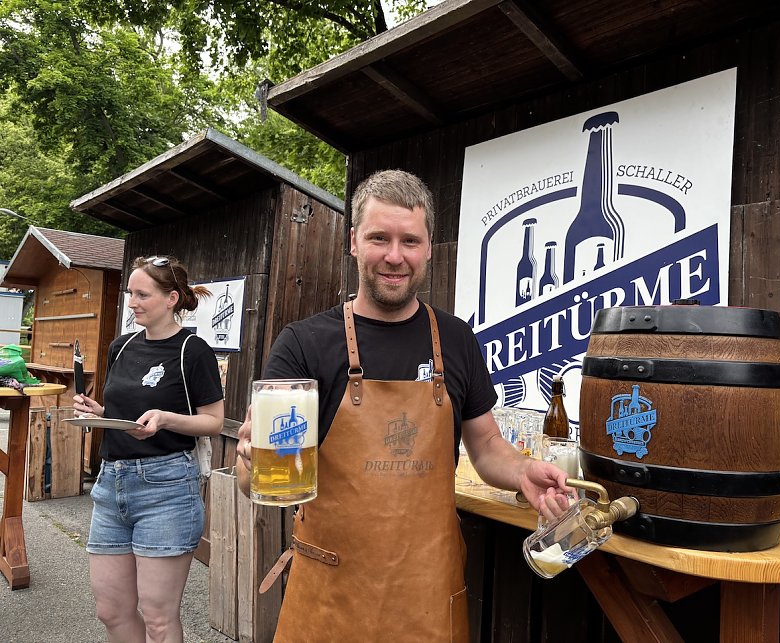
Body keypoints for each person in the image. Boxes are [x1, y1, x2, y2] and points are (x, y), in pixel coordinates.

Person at [234, 170, 573, 642]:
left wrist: (522, 472)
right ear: (353, 241)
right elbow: (262, 479)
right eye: (379, 238)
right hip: (331, 598)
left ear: (429, 247)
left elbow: (488, 445)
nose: (395, 256)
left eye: (410, 241)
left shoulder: (455, 340)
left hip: (427, 601)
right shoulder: (303, 345)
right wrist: (250, 462)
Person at [73, 255, 224, 643]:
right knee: (110, 611)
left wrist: (167, 418)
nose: (132, 302)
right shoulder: (120, 347)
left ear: (171, 298)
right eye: (130, 294)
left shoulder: (194, 350)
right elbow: (127, 411)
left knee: (158, 619)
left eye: (142, 294)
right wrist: (100, 413)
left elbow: (214, 422)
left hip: (167, 489)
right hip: (110, 486)